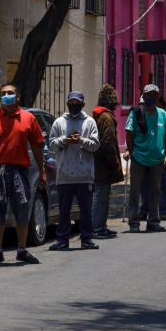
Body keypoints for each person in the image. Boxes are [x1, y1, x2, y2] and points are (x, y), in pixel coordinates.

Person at [0, 83, 47, 265]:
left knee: (22, 209)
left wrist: (42, 172)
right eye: (3, 93)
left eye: (10, 93)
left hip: (20, 172)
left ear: (18, 97)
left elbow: (37, 146)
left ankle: (21, 250)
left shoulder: (28, 118)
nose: (6, 95)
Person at [48, 91, 101, 250]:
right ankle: (62, 240)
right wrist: (65, 140)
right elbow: (51, 144)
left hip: (84, 175)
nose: (73, 105)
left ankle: (86, 239)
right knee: (64, 211)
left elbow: (95, 145)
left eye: (77, 103)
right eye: (71, 102)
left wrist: (81, 140)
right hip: (64, 175)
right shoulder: (59, 122)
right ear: (67, 103)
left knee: (85, 210)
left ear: (82, 104)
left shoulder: (90, 122)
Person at [125, 84, 166, 233]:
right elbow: (129, 134)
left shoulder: (163, 114)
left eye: (154, 95)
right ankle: (134, 223)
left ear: (158, 97)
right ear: (143, 96)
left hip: (157, 160)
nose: (151, 97)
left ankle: (153, 221)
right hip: (139, 158)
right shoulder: (136, 113)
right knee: (135, 191)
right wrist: (132, 153)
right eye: (148, 95)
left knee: (155, 191)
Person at [91, 84, 124, 239]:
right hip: (104, 165)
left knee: (101, 195)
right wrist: (114, 163)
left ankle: (101, 226)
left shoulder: (97, 116)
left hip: (97, 163)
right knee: (101, 196)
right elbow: (108, 142)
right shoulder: (107, 118)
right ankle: (98, 228)